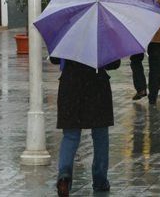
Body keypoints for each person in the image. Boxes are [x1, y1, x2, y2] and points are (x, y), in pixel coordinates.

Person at [51, 57, 121, 196]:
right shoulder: (103, 35)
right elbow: (114, 63)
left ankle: (64, 176)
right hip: (97, 86)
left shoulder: (68, 35)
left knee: (70, 136)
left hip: (70, 85)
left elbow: (54, 58)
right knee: (100, 135)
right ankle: (100, 180)